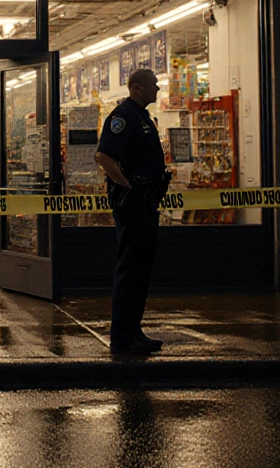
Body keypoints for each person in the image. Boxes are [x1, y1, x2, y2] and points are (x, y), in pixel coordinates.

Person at [94, 68, 171, 355]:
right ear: (137, 88)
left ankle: (133, 330)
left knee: (141, 269)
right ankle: (122, 336)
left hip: (146, 202)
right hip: (133, 205)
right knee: (130, 269)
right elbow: (103, 156)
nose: (158, 89)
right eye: (153, 85)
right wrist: (128, 186)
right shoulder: (123, 116)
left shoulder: (142, 117)